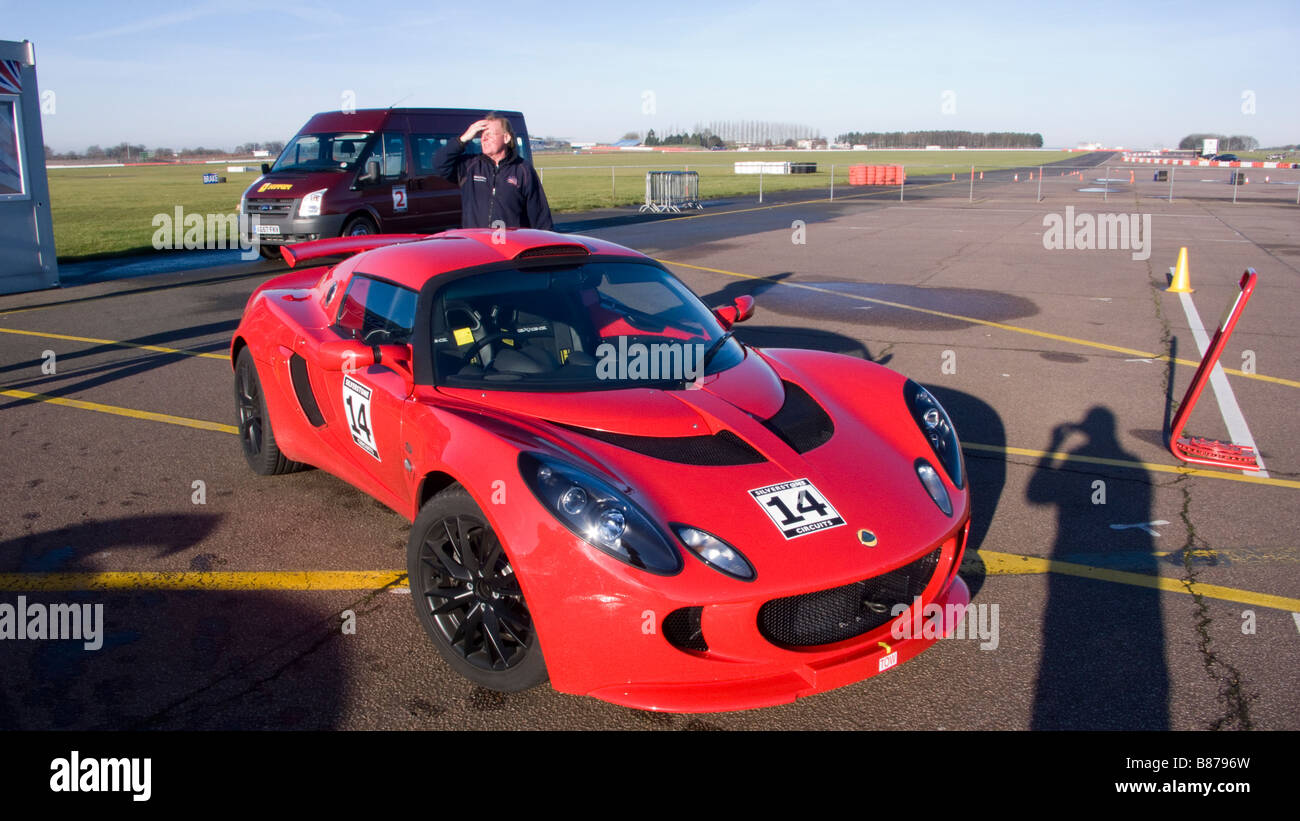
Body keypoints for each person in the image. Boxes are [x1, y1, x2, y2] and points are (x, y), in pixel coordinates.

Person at [432, 114, 553, 230]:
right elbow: (440, 163)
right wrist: (464, 138)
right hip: (477, 244)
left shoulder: (523, 170)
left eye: (490, 135)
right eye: (482, 135)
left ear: (506, 138)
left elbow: (540, 215)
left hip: (511, 244)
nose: (484, 139)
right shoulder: (470, 166)